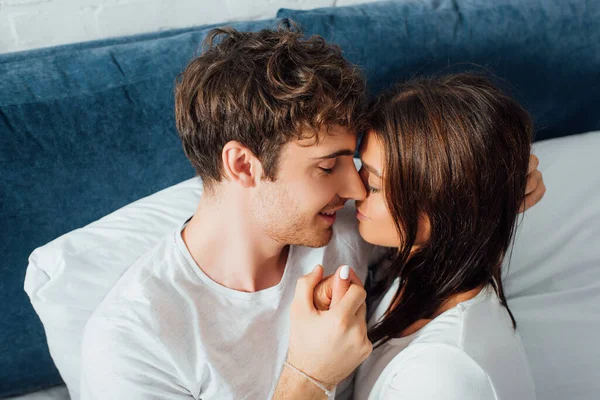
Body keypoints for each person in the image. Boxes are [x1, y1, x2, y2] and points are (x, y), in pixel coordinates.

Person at [79, 22, 545, 399]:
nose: (356, 187)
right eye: (327, 166)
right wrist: (309, 379)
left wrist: (496, 178)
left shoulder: (353, 228)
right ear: (243, 165)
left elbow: (450, 235)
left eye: (356, 162)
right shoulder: (133, 344)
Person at [343, 74, 538, 399]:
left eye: (374, 185)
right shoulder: (427, 265)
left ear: (445, 208)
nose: (355, 190)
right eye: (360, 168)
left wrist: (310, 376)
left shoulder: (439, 377)